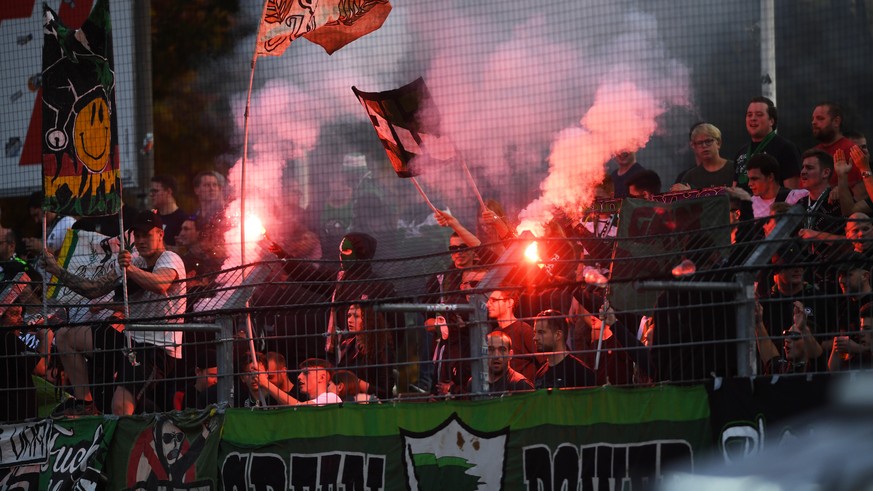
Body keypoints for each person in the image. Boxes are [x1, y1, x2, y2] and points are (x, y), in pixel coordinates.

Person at [43, 210, 186, 416]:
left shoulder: (170, 258)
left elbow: (160, 284)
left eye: (148, 235)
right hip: (129, 338)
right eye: (138, 235)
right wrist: (56, 270)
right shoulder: (134, 262)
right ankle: (85, 403)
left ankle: (123, 445)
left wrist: (128, 268)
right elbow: (92, 289)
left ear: (160, 235)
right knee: (65, 336)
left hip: (156, 347)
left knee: (120, 406)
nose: (142, 240)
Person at [733, 96, 801, 190]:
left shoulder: (786, 148)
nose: (753, 118)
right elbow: (734, 189)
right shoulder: (741, 152)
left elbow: (793, 193)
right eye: (749, 115)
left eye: (759, 114)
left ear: (771, 121)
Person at [338, 304, 394, 398]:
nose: (350, 320)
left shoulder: (381, 349)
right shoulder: (346, 345)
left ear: (369, 320)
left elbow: (385, 392)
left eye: (356, 316)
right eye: (348, 316)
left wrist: (356, 382)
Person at [755, 300, 827, 375]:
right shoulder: (783, 368)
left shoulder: (817, 370)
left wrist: (803, 329)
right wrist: (758, 323)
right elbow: (769, 355)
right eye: (787, 334)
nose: (787, 339)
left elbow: (817, 358)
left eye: (794, 336)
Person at [811, 101, 865, 199]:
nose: (813, 122)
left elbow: (859, 191)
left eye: (820, 118)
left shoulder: (851, 150)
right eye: (813, 118)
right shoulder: (813, 153)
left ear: (836, 121)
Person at [533, 310, 597, 389]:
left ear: (558, 335)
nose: (535, 338)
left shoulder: (580, 373)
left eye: (541, 332)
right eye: (534, 332)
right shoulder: (540, 375)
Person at [485, 289, 539, 382]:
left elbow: (544, 360)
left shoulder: (524, 330)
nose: (487, 304)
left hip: (524, 392)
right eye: (488, 301)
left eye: (494, 300)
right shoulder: (495, 333)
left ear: (509, 302)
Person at [671, 123, 735, 191]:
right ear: (694, 146)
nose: (704, 146)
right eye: (699, 143)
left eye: (708, 141)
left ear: (718, 143)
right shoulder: (690, 177)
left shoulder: (734, 169)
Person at [466, 331, 533, 394]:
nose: (496, 355)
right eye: (490, 349)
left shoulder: (520, 385)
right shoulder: (474, 383)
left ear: (510, 354)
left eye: (502, 350)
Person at [746, 154, 808, 219]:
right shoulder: (749, 205)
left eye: (754, 179)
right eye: (749, 179)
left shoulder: (799, 196)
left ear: (770, 177)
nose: (749, 184)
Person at [23, 191, 76, 257]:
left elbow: (68, 257)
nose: (36, 221)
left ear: (45, 207)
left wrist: (41, 248)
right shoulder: (47, 227)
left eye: (36, 214)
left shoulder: (68, 222)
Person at [829, 301, 873, 371]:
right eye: (862, 328)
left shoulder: (856, 347)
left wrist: (860, 349)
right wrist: (836, 351)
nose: (861, 333)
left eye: (867, 328)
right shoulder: (855, 344)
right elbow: (834, 372)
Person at [150, 175, 187, 246]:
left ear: (169, 192)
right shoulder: (152, 219)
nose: (151, 194)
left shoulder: (183, 220)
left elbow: (182, 251)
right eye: (151, 191)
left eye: (155, 191)